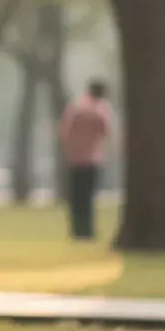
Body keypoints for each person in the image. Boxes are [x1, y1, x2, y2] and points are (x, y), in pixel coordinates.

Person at [59, 78, 115, 240]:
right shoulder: (102, 108)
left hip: (74, 159)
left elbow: (65, 131)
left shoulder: (75, 107)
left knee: (76, 196)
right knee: (88, 196)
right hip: (92, 158)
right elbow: (105, 130)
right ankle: (87, 230)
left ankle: (76, 229)